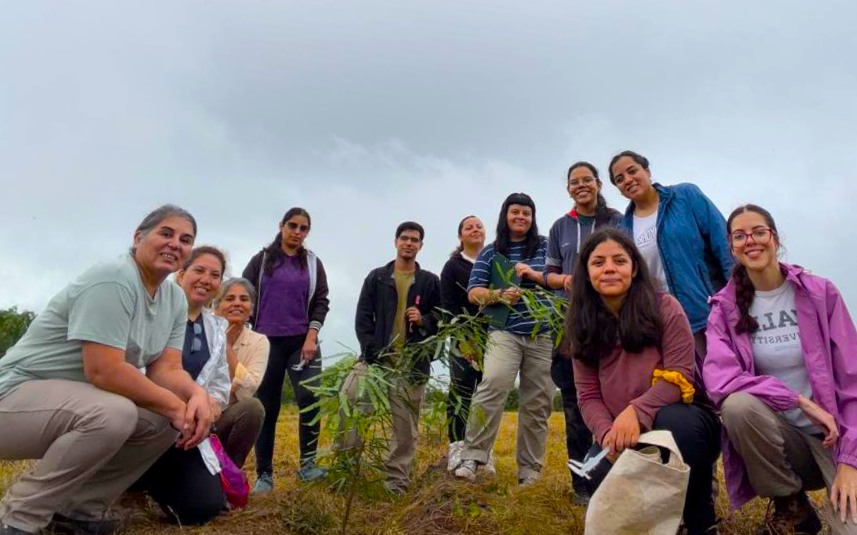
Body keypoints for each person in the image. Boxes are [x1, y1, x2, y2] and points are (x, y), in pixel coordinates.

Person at [0, 205, 213, 535]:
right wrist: (176, 406)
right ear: (138, 237)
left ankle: (75, 513)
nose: (175, 244)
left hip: (70, 404)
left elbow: (167, 368)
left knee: (162, 422)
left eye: (186, 240)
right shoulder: (113, 278)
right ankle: (18, 518)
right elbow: (104, 371)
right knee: (115, 413)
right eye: (166, 233)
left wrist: (196, 395)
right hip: (14, 396)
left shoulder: (174, 298)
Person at [703, 204, 857, 535]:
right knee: (738, 406)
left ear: (775, 238)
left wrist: (850, 462)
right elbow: (719, 380)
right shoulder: (724, 309)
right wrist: (798, 401)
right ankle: (793, 506)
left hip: (838, 438)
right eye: (740, 236)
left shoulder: (820, 293)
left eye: (759, 232)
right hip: (784, 442)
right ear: (731, 246)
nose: (751, 241)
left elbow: (852, 382)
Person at [567, 227, 721, 535]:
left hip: (682, 420)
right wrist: (607, 433)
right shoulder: (581, 323)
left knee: (677, 423)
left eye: (619, 261)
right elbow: (587, 395)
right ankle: (660, 521)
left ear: (634, 267)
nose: (609, 268)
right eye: (598, 262)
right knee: (598, 479)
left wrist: (635, 413)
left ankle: (700, 520)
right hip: (619, 430)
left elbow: (680, 377)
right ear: (586, 272)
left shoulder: (665, 307)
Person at [454, 193, 554, 486]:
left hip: (541, 332)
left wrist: (533, 275)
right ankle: (473, 457)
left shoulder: (546, 247)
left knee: (538, 402)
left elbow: (557, 280)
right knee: (492, 386)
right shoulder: (491, 251)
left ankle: (530, 471)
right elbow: (474, 292)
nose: (521, 217)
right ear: (505, 216)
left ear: (533, 218)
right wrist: (498, 295)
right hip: (504, 330)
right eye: (515, 212)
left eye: (526, 212)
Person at [340, 221, 441, 495]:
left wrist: (424, 319)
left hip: (411, 365)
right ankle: (345, 470)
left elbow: (442, 319)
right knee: (349, 402)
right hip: (374, 361)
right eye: (405, 238)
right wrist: (371, 351)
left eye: (415, 240)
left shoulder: (430, 281)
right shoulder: (377, 277)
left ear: (421, 246)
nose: (409, 243)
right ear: (396, 242)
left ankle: (395, 481)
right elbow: (363, 318)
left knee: (405, 427)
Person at [135, 246, 234, 525]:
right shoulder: (152, 311)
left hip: (188, 431)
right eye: (199, 270)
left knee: (203, 508)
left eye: (215, 275)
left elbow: (220, 384)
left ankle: (153, 479)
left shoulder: (216, 329)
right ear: (181, 274)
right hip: (147, 419)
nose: (206, 279)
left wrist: (211, 405)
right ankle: (129, 481)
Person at [544, 162, 623, 504]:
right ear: (568, 189)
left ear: (598, 184)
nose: (581, 186)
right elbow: (547, 272)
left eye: (586, 180)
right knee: (575, 404)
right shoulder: (560, 227)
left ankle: (620, 480)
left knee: (617, 399)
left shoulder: (618, 220)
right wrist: (563, 280)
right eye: (574, 182)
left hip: (615, 319)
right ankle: (582, 485)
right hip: (570, 323)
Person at [608, 150, 733, 360]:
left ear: (647, 171)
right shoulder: (623, 230)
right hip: (663, 323)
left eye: (632, 171)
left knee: (727, 380)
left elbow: (724, 242)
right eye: (620, 179)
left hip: (708, 312)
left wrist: (740, 294)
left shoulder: (685, 196)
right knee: (688, 387)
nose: (628, 180)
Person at [242, 207, 331, 491]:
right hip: (266, 343)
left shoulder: (313, 264)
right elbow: (245, 295)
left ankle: (307, 465)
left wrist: (311, 336)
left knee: (309, 400)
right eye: (293, 225)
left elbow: (321, 300)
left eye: (304, 228)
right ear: (281, 226)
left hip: (302, 342)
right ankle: (264, 474)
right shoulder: (262, 260)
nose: (297, 232)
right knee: (267, 407)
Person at [440, 215, 488, 472]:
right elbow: (449, 308)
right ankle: (457, 447)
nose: (474, 230)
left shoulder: (493, 261)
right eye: (469, 227)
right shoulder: (453, 266)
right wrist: (464, 341)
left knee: (487, 396)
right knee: (461, 392)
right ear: (460, 236)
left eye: (479, 226)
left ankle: (482, 452)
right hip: (463, 339)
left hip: (492, 340)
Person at [212, 277, 269, 468]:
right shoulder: (202, 329)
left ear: (251, 309)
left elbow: (247, 392)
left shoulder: (259, 342)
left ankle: (229, 473)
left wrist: (226, 347)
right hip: (192, 416)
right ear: (216, 305)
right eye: (229, 298)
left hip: (224, 418)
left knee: (253, 408)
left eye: (244, 299)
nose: (237, 303)